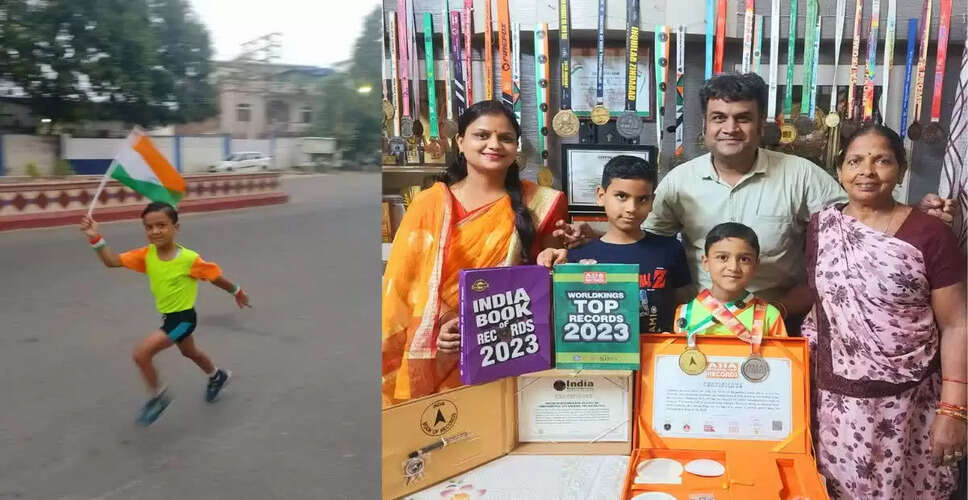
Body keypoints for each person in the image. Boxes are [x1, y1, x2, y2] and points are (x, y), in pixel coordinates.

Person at [555, 73, 956, 332]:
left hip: (779, 321)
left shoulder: (801, 175)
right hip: (698, 324)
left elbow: (863, 217)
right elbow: (637, 236)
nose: (730, 128)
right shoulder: (679, 182)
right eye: (719, 117)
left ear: (760, 123)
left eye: (743, 118)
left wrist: (916, 217)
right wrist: (587, 239)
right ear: (705, 124)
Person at [797, 125, 966, 499]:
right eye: (855, 161)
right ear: (839, 170)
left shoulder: (931, 234)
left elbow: (957, 324)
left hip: (909, 405)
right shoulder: (822, 228)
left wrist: (953, 410)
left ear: (901, 170)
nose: (867, 171)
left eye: (882, 161)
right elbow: (822, 304)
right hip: (834, 405)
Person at [382, 100, 567, 406]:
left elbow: (546, 278)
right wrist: (444, 322)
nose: (494, 144)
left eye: (505, 138)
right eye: (482, 135)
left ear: (516, 146)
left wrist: (558, 259)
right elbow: (407, 282)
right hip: (444, 343)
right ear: (460, 142)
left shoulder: (541, 203)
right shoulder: (429, 204)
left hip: (507, 345)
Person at [80, 202, 250, 426]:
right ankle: (217, 375)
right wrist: (95, 237)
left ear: (175, 227)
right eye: (149, 227)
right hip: (170, 318)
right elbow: (111, 261)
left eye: (161, 225)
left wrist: (236, 291)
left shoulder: (188, 259)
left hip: (183, 319)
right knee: (190, 352)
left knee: (141, 354)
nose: (155, 231)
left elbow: (215, 277)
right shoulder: (147, 255)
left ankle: (158, 397)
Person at [536, 155, 690, 333]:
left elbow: (681, 308)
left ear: (652, 202)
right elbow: (565, 314)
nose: (632, 208)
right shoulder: (577, 257)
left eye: (642, 199)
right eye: (622, 196)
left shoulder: (670, 249)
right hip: (599, 349)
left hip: (660, 347)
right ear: (601, 196)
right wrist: (547, 265)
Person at [673, 222, 787, 338]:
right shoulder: (685, 314)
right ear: (706, 262)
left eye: (744, 259)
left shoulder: (769, 316)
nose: (733, 267)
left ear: (755, 266)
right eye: (723, 257)